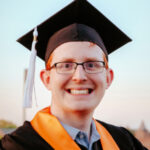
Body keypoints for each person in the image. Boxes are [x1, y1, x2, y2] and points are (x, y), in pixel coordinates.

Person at [0, 0, 148, 149]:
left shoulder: (124, 142)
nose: (79, 76)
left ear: (108, 78)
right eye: (65, 65)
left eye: (91, 64)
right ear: (47, 79)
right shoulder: (15, 146)